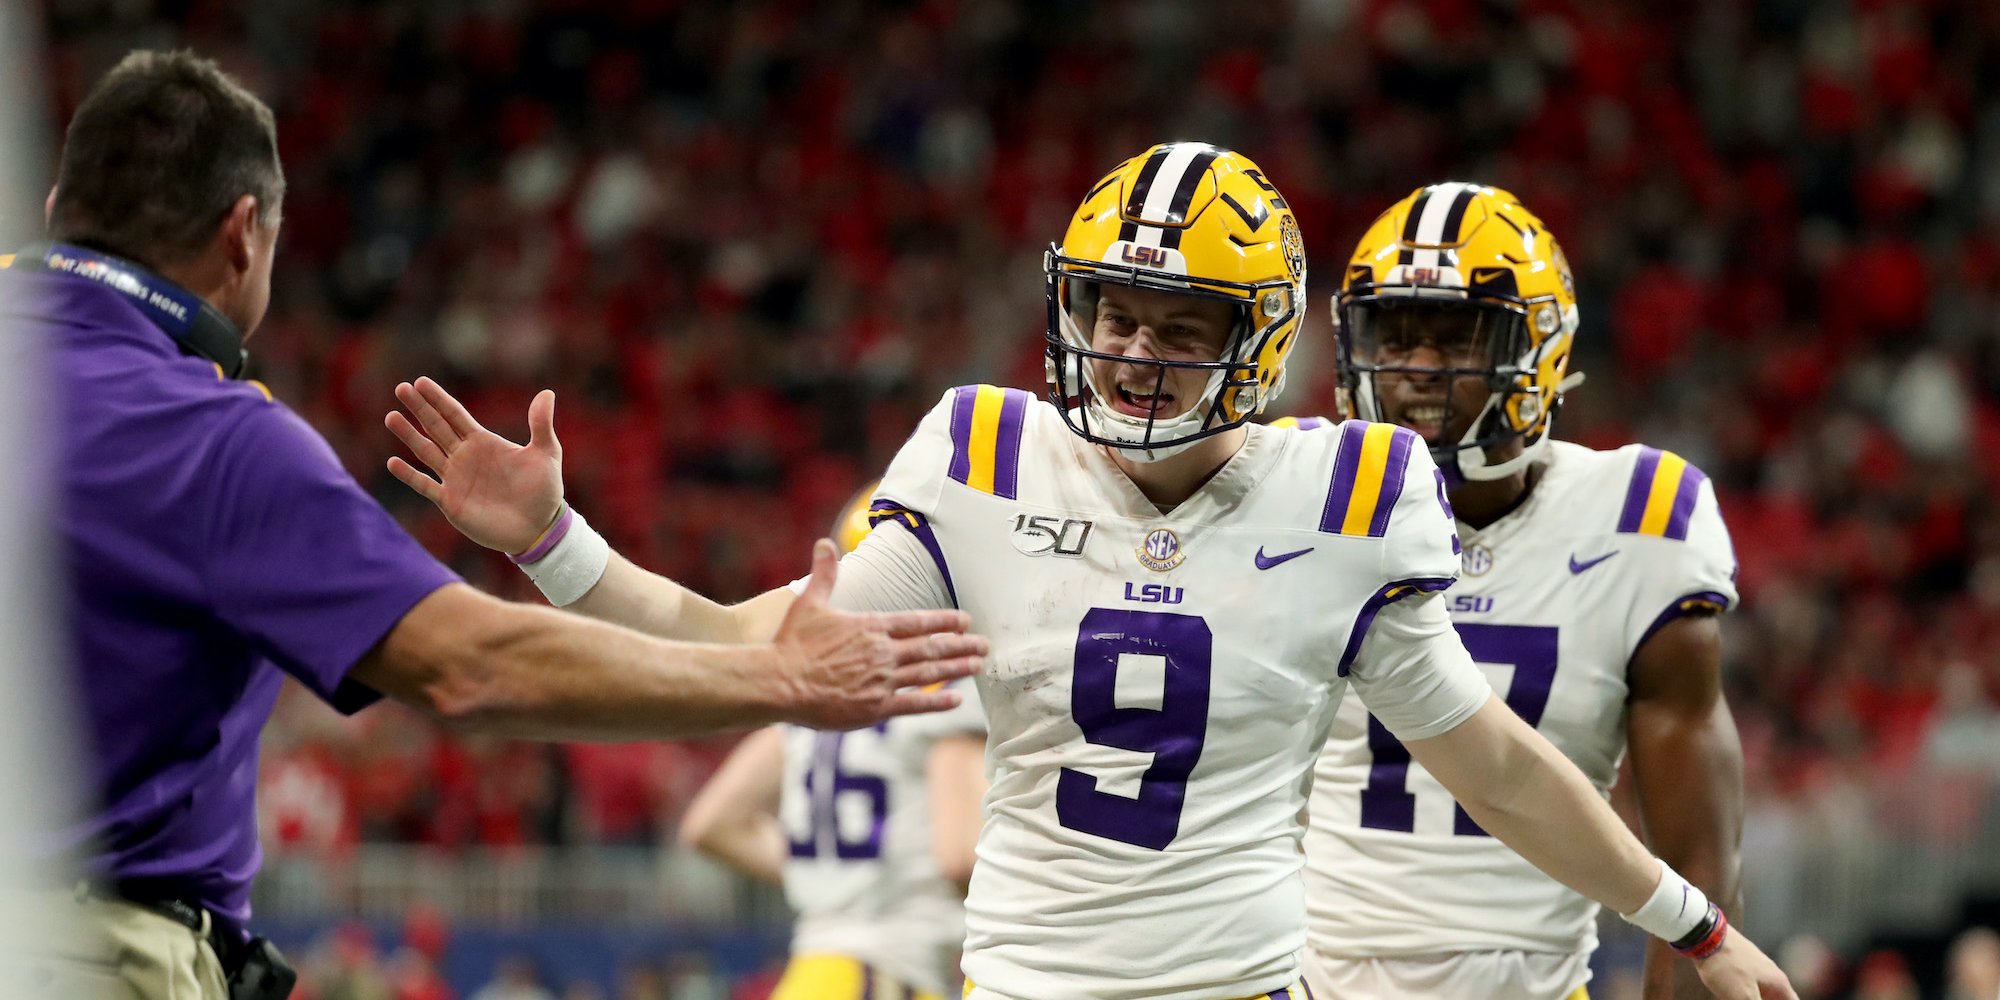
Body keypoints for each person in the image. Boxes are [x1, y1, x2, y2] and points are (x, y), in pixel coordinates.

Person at [386, 142, 1794, 999]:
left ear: (1257, 341)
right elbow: (733, 638)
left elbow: (1490, 761)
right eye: (1110, 310)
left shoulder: (1344, 491)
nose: (1129, 348)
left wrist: (1690, 918)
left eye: (1176, 322)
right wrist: (557, 549)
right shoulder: (984, 455)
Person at [0, 49, 983, 1000]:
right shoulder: (203, 434)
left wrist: (556, 545)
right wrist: (774, 679)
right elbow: (470, 665)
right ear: (244, 233)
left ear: (56, 210)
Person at [1278, 181, 1745, 1000]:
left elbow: (1696, 862)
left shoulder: (1640, 522)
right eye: (1395, 336)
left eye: (1457, 339)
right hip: (1297, 976)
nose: (1418, 371)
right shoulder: (1292, 491)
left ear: (1542, 350)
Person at [678, 482, 989, 1000]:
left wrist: (833, 883)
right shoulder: (945, 685)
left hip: (814, 973)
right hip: (890, 975)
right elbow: (960, 856)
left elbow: (710, 823)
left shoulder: (819, 691)